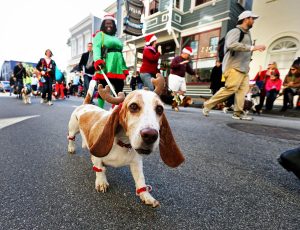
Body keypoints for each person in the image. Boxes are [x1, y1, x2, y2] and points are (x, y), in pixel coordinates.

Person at [202, 10, 266, 120]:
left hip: (243, 68)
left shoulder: (248, 34)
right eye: (252, 19)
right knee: (230, 89)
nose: (253, 22)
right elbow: (231, 44)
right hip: (233, 67)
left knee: (242, 91)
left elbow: (244, 51)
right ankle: (208, 104)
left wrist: (247, 62)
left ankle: (238, 113)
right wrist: (252, 47)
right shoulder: (235, 31)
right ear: (246, 19)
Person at [87, 13, 128, 108]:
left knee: (119, 89)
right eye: (107, 23)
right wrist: (98, 60)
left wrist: (124, 68)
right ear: (103, 25)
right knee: (103, 88)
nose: (109, 25)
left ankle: (116, 110)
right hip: (106, 65)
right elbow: (96, 48)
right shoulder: (100, 35)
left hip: (117, 67)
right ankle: (100, 109)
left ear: (114, 25)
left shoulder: (116, 38)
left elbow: (120, 54)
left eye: (111, 23)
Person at [168, 46, 198, 111]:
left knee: (183, 91)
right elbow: (172, 66)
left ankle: (175, 104)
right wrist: (181, 63)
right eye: (188, 55)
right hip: (175, 77)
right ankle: (175, 105)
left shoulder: (185, 61)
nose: (188, 56)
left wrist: (194, 74)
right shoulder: (177, 58)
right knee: (175, 92)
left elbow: (189, 69)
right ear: (185, 53)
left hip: (182, 78)